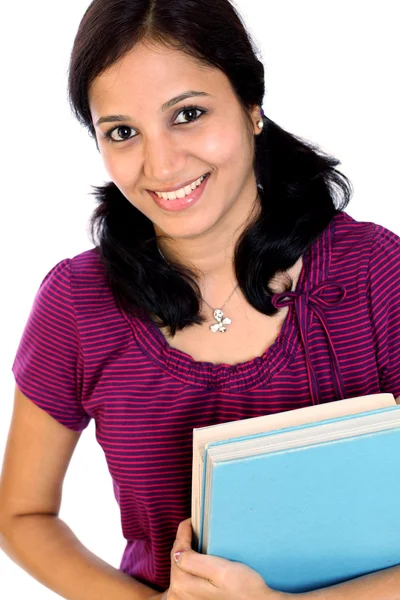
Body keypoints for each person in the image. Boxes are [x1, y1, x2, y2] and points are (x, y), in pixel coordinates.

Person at [0, 0, 399, 598]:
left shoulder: (375, 275)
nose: (160, 164)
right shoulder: (76, 304)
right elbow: (22, 515)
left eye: (187, 114)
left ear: (251, 105)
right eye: (123, 132)